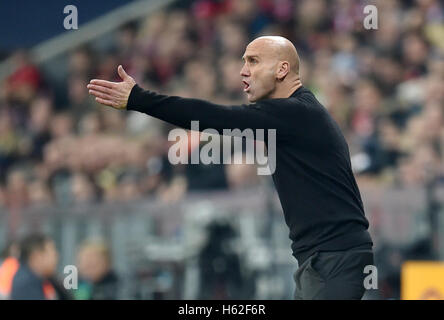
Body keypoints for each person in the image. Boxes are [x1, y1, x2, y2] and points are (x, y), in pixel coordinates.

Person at [87, 36, 374, 300]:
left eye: (253, 61)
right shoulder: (297, 112)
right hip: (325, 258)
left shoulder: (295, 112)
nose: (243, 71)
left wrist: (139, 98)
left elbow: (214, 116)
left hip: (335, 258)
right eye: (243, 62)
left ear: (282, 69)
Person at [10, 233, 59, 300]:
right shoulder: (25, 285)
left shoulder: (43, 279)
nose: (56, 257)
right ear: (36, 256)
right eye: (52, 252)